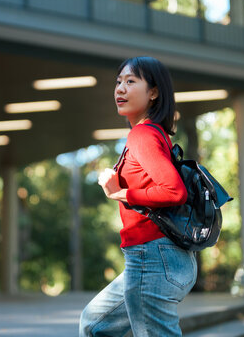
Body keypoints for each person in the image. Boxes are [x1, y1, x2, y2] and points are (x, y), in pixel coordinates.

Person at [79, 56, 197, 337]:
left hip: (153, 259)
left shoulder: (142, 136)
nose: (120, 88)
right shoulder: (154, 134)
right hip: (161, 258)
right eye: (118, 82)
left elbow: (174, 191)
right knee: (94, 325)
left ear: (154, 92)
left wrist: (120, 192)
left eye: (131, 81)